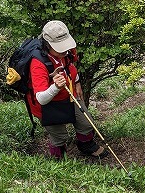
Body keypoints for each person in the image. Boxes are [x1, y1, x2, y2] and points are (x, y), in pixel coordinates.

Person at [27, 20, 107, 159]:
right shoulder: (38, 64)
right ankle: (59, 158)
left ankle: (85, 145)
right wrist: (55, 87)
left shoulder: (66, 52)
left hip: (69, 95)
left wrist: (76, 81)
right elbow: (41, 98)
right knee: (59, 136)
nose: (65, 50)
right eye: (59, 48)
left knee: (86, 123)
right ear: (47, 45)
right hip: (47, 104)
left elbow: (70, 66)